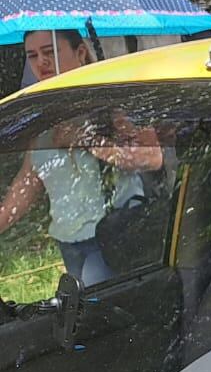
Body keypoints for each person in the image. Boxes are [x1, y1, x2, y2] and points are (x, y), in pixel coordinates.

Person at [0, 30, 162, 286]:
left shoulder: (109, 104)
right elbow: (28, 181)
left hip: (114, 233)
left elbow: (152, 157)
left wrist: (87, 140)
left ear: (81, 53)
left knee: (101, 303)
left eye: (50, 52)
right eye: (32, 55)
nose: (42, 62)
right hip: (68, 241)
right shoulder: (42, 116)